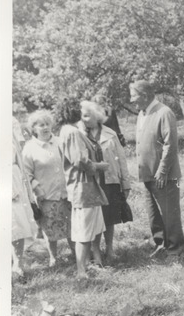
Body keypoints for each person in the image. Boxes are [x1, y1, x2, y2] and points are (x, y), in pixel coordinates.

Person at [130, 80, 184, 257]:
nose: (131, 100)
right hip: (147, 174)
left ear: (145, 95)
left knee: (170, 213)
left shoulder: (164, 112)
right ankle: (161, 244)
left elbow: (170, 144)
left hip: (164, 175)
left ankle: (176, 249)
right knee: (153, 214)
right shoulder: (141, 113)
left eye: (133, 95)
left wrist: (162, 171)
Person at [57, 100, 110, 278]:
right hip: (82, 186)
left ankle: (87, 264)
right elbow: (80, 160)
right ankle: (81, 270)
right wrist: (100, 166)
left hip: (85, 186)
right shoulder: (72, 132)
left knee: (90, 228)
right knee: (84, 230)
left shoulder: (67, 131)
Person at [22, 110, 72, 268]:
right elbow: (26, 174)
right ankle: (54, 258)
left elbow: (70, 163)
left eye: (47, 124)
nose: (45, 127)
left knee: (71, 224)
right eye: (40, 125)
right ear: (34, 128)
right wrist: (37, 189)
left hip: (66, 192)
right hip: (46, 194)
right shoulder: (30, 148)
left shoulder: (60, 142)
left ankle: (76, 254)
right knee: (49, 227)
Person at [82, 101, 132, 260]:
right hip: (91, 183)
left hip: (110, 181)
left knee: (109, 217)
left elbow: (122, 159)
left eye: (87, 115)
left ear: (97, 116)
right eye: (83, 115)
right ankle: (95, 251)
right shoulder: (80, 134)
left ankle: (110, 249)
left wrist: (125, 182)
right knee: (94, 218)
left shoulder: (110, 133)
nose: (84, 119)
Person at [12, 134, 39, 280]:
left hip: (13, 179)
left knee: (18, 222)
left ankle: (17, 263)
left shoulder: (8, 130)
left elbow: (19, 161)